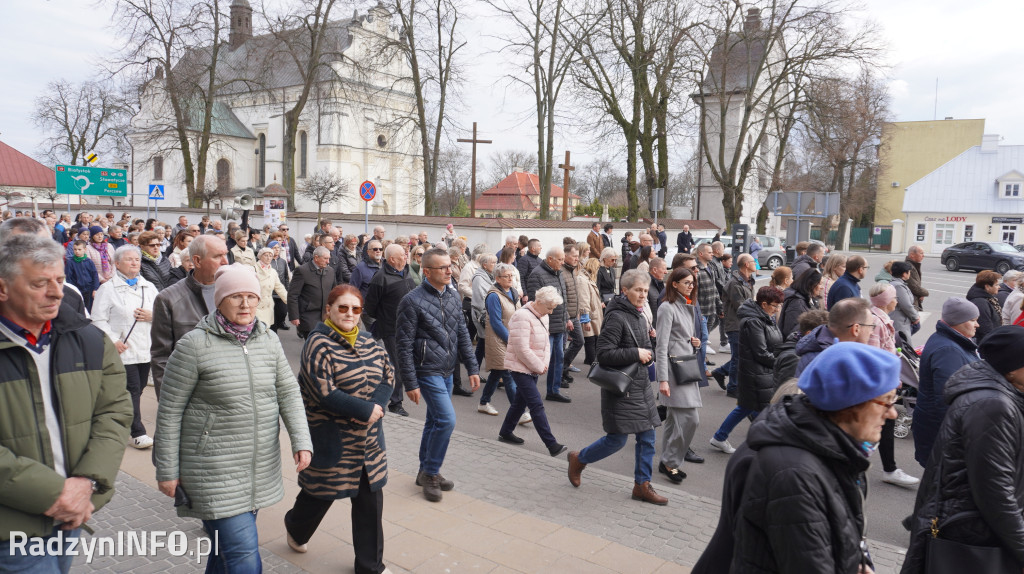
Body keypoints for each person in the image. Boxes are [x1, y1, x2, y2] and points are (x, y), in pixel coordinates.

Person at [154, 264, 312, 573]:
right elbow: (170, 411)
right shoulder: (194, 346)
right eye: (236, 297)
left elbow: (289, 393)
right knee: (243, 560)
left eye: (251, 296)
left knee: (223, 556)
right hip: (213, 471)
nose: (245, 304)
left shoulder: (267, 341)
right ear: (219, 300)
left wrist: (301, 440)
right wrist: (167, 469)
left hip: (256, 467)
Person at [0, 234, 132, 571]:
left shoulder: (88, 340)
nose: (58, 292)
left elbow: (114, 412)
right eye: (40, 283)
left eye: (59, 279)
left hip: (74, 513)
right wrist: (53, 493)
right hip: (11, 526)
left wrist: (86, 484)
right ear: (3, 289)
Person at [726, 343, 899, 573]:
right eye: (885, 401)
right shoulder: (796, 474)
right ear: (851, 403)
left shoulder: (834, 452)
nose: (892, 412)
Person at [283, 285, 394, 573]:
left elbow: (388, 375)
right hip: (333, 438)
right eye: (342, 308)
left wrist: (376, 407)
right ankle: (295, 527)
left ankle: (370, 566)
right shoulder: (318, 344)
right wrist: (364, 410)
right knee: (321, 494)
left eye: (355, 309)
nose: (349, 314)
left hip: (369, 443)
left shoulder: (370, 341)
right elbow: (323, 392)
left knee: (371, 503)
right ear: (329, 310)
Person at [902, 327, 1024, 574]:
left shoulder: (1002, 395)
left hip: (976, 531)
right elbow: (995, 494)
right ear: (1011, 369)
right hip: (973, 539)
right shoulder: (993, 406)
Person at [567, 270, 667, 506]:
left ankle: (642, 485)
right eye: (637, 290)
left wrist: (648, 347)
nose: (643, 295)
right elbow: (604, 353)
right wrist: (636, 352)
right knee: (617, 440)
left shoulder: (639, 314)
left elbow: (639, 346)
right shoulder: (617, 316)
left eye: (645, 290)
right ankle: (579, 459)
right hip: (623, 390)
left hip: (641, 386)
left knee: (648, 437)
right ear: (625, 290)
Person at [395, 247, 480, 502]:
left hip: (447, 370)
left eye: (449, 266)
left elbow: (463, 334)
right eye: (442, 267)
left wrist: (472, 367)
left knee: (434, 421)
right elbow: (403, 345)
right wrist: (410, 382)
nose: (449, 270)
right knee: (446, 421)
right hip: (426, 370)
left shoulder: (452, 296)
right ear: (428, 271)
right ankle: (432, 472)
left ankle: (425, 471)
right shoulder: (411, 300)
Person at [91, 245, 158, 450]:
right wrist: (113, 340)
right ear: (117, 263)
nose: (134, 263)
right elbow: (98, 319)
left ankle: (117, 421)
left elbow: (162, 313)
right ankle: (137, 431)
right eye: (129, 259)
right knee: (133, 389)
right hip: (123, 349)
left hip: (145, 347)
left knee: (134, 389)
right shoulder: (108, 289)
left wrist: (151, 316)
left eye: (136, 259)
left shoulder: (149, 287)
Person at [708, 286, 784, 455]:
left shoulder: (764, 317)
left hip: (760, 373)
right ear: (764, 304)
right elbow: (760, 352)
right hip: (755, 373)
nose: (777, 309)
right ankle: (723, 438)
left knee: (749, 408)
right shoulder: (754, 321)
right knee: (750, 408)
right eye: (775, 306)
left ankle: (722, 437)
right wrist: (781, 361)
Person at [150, 235, 229, 397]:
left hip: (231, 392)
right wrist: (169, 403)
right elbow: (162, 357)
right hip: (193, 394)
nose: (225, 262)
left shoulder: (235, 292)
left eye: (225, 254)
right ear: (197, 261)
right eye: (217, 256)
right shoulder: (168, 299)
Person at [497, 285, 568, 456]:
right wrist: (539, 365)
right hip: (520, 367)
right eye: (549, 308)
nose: (551, 312)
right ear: (539, 302)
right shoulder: (522, 316)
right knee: (536, 404)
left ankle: (505, 432)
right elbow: (522, 349)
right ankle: (551, 445)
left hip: (532, 367)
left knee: (520, 403)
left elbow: (545, 345)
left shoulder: (542, 316)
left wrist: (543, 364)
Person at [912, 297, 980, 468]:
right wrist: (960, 436)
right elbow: (948, 399)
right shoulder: (949, 350)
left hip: (937, 430)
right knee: (940, 485)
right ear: (958, 322)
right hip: (940, 433)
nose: (977, 325)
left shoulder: (949, 341)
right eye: (973, 320)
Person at [864, 282, 920, 487]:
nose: (897, 300)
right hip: (879, 387)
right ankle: (884, 469)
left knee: (884, 427)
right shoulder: (876, 322)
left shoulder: (880, 318)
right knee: (873, 428)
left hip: (884, 385)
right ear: (887, 301)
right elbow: (874, 357)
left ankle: (889, 468)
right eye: (894, 297)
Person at [655, 266, 704, 483]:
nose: (691, 286)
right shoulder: (667, 307)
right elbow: (661, 345)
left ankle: (667, 461)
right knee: (690, 419)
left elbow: (681, 338)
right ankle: (670, 462)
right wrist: (662, 379)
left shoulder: (686, 305)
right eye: (686, 282)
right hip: (675, 371)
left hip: (686, 365)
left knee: (676, 420)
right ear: (674, 283)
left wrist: (695, 343)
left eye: (692, 282)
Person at [364, 244, 416, 417]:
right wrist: (385, 317)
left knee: (403, 363)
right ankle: (395, 402)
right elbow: (370, 307)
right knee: (397, 365)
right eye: (402, 254)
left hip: (409, 326)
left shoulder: (407, 272)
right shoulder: (380, 278)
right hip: (391, 328)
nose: (406, 256)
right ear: (392, 259)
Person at [478, 262, 527, 420]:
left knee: (497, 372)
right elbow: (496, 322)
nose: (510, 278)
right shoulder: (493, 296)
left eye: (511, 275)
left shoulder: (512, 291)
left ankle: (484, 403)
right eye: (507, 276)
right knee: (507, 373)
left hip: (511, 337)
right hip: (498, 338)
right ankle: (519, 412)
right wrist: (510, 339)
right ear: (497, 279)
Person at [527, 246, 572, 402]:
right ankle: (529, 392)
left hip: (559, 324)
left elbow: (562, 299)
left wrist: (566, 318)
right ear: (550, 259)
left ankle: (553, 390)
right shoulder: (537, 275)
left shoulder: (558, 273)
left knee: (557, 359)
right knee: (539, 361)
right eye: (559, 259)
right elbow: (535, 304)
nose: (562, 262)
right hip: (545, 327)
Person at [710, 253, 757, 396]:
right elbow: (741, 306)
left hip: (745, 323)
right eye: (753, 261)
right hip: (735, 324)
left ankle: (721, 371)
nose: (756, 263)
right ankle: (733, 387)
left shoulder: (749, 280)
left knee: (742, 356)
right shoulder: (734, 283)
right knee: (739, 357)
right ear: (746, 265)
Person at [794, 297, 875, 376]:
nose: (872, 332)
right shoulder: (830, 362)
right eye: (871, 326)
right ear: (856, 329)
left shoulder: (820, 350)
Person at [288, 246, 338, 338]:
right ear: (316, 258)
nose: (328, 262)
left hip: (326, 316)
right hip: (308, 316)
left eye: (329, 259)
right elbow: (293, 295)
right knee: (313, 344)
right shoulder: (302, 271)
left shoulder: (330, 271)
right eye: (325, 258)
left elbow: (335, 293)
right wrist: (294, 316)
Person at [772, 309, 829, 388]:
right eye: (825, 334)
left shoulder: (806, 353)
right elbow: (788, 394)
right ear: (809, 333)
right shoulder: (794, 358)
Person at [562, 245, 585, 382]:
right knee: (562, 346)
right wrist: (566, 318)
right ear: (565, 256)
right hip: (566, 316)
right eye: (574, 256)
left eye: (578, 256)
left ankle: (564, 367)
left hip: (573, 315)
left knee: (579, 341)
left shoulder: (572, 270)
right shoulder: (562, 271)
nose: (577, 259)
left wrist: (577, 313)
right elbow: (561, 298)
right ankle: (561, 373)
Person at [778, 269, 822, 338]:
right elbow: (791, 332)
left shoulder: (809, 299)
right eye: (819, 284)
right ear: (810, 285)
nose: (821, 287)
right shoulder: (797, 303)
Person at [577, 257, 604, 367]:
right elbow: (584, 299)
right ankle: (593, 364)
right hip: (590, 314)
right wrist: (585, 318)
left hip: (594, 313)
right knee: (590, 339)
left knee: (593, 338)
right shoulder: (582, 279)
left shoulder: (587, 278)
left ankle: (590, 361)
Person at [255, 247, 288, 328]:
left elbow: (279, 287)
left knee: (269, 331)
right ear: (260, 256)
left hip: (269, 306)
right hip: (257, 307)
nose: (268, 257)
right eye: (266, 255)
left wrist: (290, 301)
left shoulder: (273, 271)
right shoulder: (254, 269)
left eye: (270, 255)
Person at [967, 270, 1002, 343]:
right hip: (985, 344)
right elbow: (985, 329)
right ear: (987, 287)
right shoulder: (981, 303)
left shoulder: (988, 299)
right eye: (996, 285)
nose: (999, 287)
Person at [889, 261, 921, 342]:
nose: (910, 273)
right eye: (909, 272)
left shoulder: (897, 284)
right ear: (904, 274)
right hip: (899, 322)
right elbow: (906, 305)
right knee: (903, 346)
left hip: (901, 320)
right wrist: (915, 317)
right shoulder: (898, 286)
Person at [64, 240, 100, 311]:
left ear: (85, 249)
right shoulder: (70, 262)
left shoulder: (89, 261)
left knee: (89, 308)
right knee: (79, 308)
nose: (77, 251)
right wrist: (73, 289)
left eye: (79, 249)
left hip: (89, 289)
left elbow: (95, 275)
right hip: (77, 289)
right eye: (75, 249)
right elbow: (68, 277)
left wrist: (95, 289)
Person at [905, 245, 929, 311]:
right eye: (921, 253)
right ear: (912, 255)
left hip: (914, 300)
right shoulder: (908, 266)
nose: (923, 255)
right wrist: (925, 293)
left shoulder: (913, 265)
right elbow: (914, 287)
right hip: (911, 302)